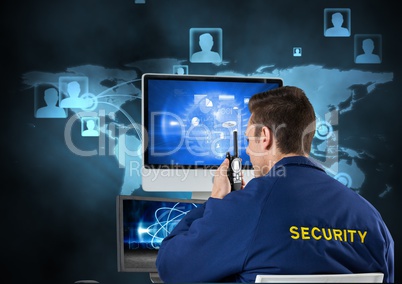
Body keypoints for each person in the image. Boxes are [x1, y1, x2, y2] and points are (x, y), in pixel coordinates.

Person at [155, 86, 394, 283]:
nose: (247, 151)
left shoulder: (246, 207)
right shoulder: (371, 218)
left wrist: (216, 200)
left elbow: (172, 268)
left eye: (249, 139)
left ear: (265, 138)